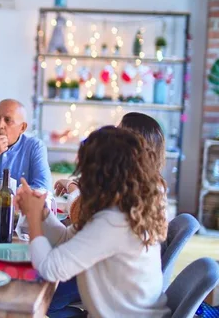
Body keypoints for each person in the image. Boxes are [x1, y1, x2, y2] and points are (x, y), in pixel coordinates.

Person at [18, 126, 170, 318]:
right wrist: (42, 212)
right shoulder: (121, 208)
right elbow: (66, 238)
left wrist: (32, 218)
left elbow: (49, 269)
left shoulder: (115, 222)